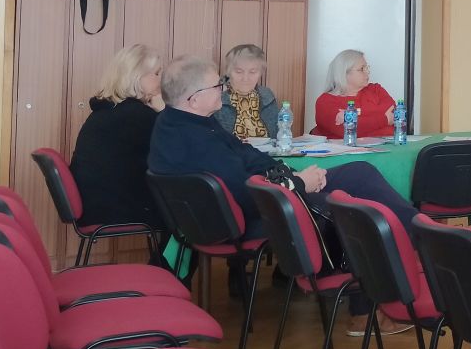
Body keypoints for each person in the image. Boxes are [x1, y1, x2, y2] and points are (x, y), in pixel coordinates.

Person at [149, 55, 417, 334]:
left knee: (359, 172)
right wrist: (298, 183)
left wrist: (288, 173)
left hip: (252, 203)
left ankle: (417, 232)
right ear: (194, 99)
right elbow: (246, 192)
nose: (223, 89)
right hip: (240, 219)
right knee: (345, 208)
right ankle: (363, 314)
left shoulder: (186, 122)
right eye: (217, 85)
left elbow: (247, 155)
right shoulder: (194, 139)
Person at [71, 43, 168, 237]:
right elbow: (174, 149)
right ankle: (167, 260)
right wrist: (163, 110)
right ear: (136, 76)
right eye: (156, 73)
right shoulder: (135, 115)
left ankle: (165, 258)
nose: (161, 79)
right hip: (111, 207)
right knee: (188, 210)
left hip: (96, 203)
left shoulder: (110, 109)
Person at [313, 50, 396, 140]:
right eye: (362, 69)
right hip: (347, 149)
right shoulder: (325, 102)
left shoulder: (376, 89)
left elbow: (393, 113)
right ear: (344, 73)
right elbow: (348, 131)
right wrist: (384, 120)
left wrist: (353, 115)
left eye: (367, 68)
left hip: (387, 146)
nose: (367, 72)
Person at [215, 43, 280, 141]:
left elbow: (278, 135)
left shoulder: (267, 96)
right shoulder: (216, 96)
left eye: (252, 72)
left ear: (261, 73)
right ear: (228, 72)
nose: (245, 78)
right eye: (239, 72)